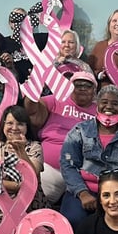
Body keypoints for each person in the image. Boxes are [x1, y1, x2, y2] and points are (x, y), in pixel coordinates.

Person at [60, 84, 118, 229]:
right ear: (97, 104)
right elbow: (68, 164)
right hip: (84, 191)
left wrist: (117, 196)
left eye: (115, 103)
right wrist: (82, 194)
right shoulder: (79, 130)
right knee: (74, 221)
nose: (109, 106)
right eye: (104, 102)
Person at [25, 70, 98, 205]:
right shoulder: (56, 100)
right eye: (78, 84)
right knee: (35, 206)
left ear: (94, 90)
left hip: (82, 174)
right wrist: (34, 88)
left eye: (87, 85)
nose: (82, 88)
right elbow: (31, 111)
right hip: (51, 168)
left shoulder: (100, 110)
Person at [0, 104, 48, 225]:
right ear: (3, 125)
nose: (14, 127)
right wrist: (19, 185)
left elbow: (33, 177)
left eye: (20, 124)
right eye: (10, 123)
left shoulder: (35, 147)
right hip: (0, 211)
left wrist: (21, 151)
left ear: (27, 127)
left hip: (30, 208)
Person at [2, 7, 34, 84]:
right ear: (10, 23)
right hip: (14, 86)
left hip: (36, 85)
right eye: (15, 20)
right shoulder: (3, 42)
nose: (18, 23)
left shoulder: (36, 40)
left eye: (22, 19)